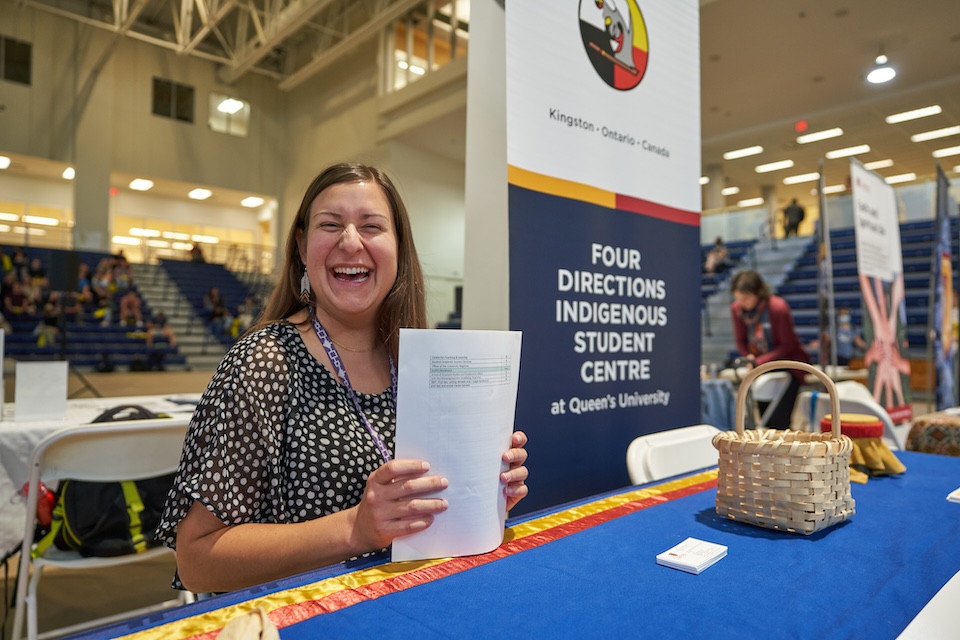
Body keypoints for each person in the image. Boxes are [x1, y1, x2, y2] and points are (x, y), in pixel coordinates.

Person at [156, 163, 529, 594]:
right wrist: (354, 527)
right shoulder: (265, 363)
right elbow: (198, 560)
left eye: (372, 226)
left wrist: (481, 494)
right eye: (330, 225)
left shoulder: (414, 363)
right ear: (301, 245)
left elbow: (422, 517)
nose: (351, 242)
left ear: (399, 248)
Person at [729, 270, 810, 428]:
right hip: (760, 368)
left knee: (779, 421)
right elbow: (741, 340)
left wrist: (759, 361)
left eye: (745, 299)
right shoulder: (736, 309)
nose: (742, 303)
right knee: (764, 420)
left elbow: (788, 345)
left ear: (758, 293)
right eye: (738, 299)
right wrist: (749, 358)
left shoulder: (777, 307)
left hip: (787, 366)